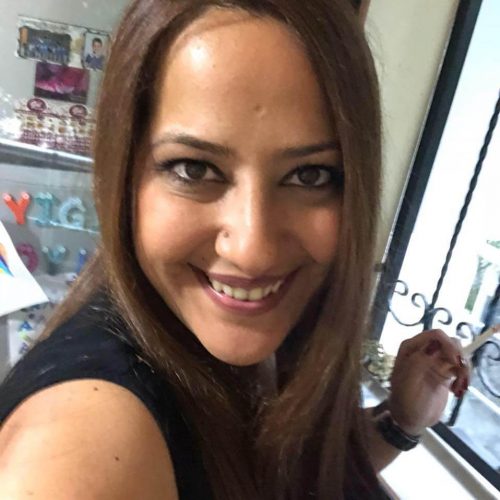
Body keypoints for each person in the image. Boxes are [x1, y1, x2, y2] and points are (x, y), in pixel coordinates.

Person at [0, 1, 469, 499]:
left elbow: (278, 478)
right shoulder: (90, 442)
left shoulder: (265, 335)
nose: (252, 251)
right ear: (126, 174)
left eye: (309, 175)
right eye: (195, 169)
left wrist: (400, 422)